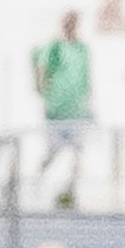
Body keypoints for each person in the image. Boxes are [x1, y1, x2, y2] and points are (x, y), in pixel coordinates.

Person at [30, 13, 91, 208]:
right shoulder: (55, 46)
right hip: (56, 109)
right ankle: (36, 183)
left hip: (77, 111)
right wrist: (42, 90)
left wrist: (88, 100)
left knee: (77, 155)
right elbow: (41, 66)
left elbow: (86, 76)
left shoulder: (82, 48)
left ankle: (69, 192)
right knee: (53, 152)